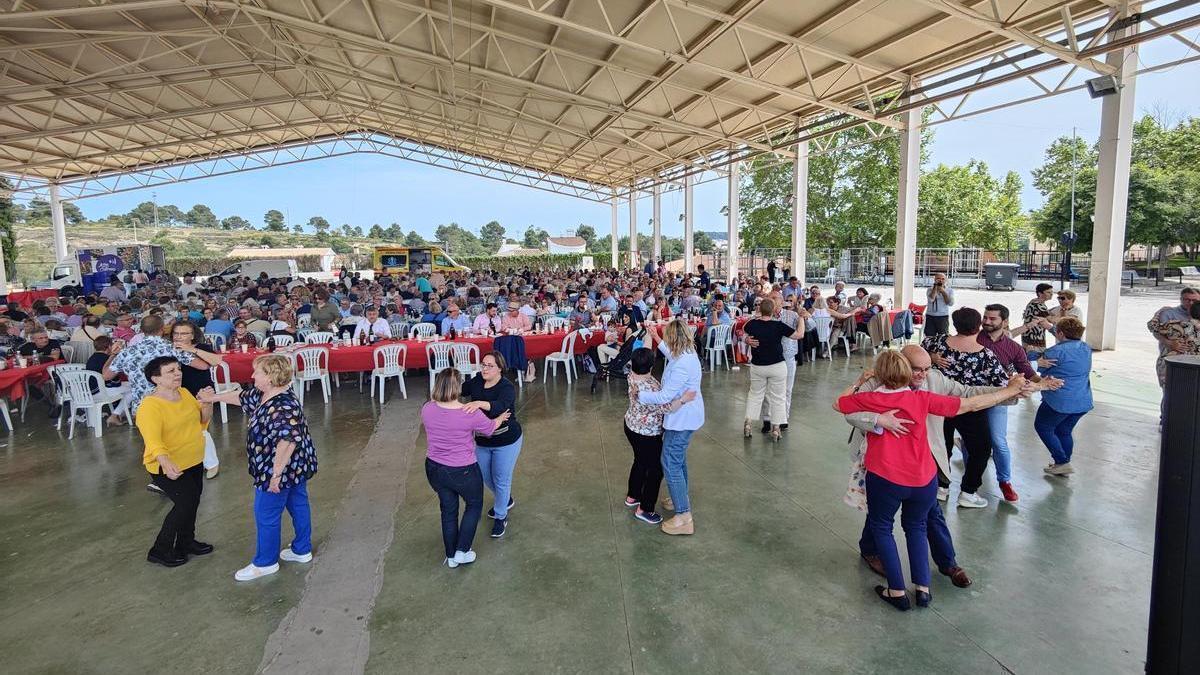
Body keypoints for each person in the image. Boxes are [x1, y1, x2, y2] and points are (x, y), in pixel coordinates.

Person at [834, 351, 1024, 610]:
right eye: (917, 369)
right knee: (917, 528)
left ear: (880, 373)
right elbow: (971, 404)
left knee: (882, 527)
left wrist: (864, 391)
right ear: (905, 371)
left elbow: (840, 404)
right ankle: (923, 589)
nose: (923, 374)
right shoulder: (922, 399)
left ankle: (897, 591)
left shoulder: (872, 398)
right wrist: (1009, 390)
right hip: (924, 479)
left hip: (886, 477)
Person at [200, 354, 319, 581]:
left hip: (279, 468)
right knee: (298, 504)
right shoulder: (267, 394)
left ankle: (265, 562)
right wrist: (213, 398)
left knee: (266, 514)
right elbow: (241, 397)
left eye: (258, 372)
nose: (252, 375)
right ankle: (301, 549)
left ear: (271, 377)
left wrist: (276, 474)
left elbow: (288, 441)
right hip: (296, 468)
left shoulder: (282, 405)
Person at [421, 369, 510, 568]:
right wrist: (500, 418)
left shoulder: (427, 408)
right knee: (473, 505)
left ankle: (451, 556)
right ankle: (463, 550)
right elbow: (489, 429)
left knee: (448, 510)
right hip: (463, 470)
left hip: (434, 468)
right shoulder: (469, 413)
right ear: (458, 387)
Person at [922, 308, 1007, 508]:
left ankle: (940, 486)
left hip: (939, 404)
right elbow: (1001, 383)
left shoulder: (936, 342)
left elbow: (917, 355)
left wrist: (933, 358)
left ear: (954, 324)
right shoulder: (985, 355)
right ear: (978, 326)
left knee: (940, 445)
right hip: (971, 408)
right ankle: (968, 492)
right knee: (980, 449)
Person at [135, 356, 214, 567]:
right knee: (184, 504)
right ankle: (160, 550)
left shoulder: (185, 393)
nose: (178, 373)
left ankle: (186, 542)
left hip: (193, 459)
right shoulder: (150, 406)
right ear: (155, 379)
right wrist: (165, 462)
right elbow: (153, 440)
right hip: (168, 465)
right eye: (170, 371)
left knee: (192, 502)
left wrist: (206, 403)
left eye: (178, 369)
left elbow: (202, 420)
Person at [638, 319, 703, 536]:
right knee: (678, 459)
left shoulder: (683, 364)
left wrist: (640, 394)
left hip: (682, 419)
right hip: (685, 416)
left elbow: (665, 396)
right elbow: (671, 356)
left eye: (666, 336)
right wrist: (655, 337)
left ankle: (684, 516)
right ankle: (679, 499)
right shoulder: (687, 353)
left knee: (670, 462)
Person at [977, 304, 1043, 503]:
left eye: (992, 319)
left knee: (998, 441)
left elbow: (1028, 371)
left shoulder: (1013, 347)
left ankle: (1004, 481)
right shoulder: (974, 338)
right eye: (985, 317)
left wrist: (1044, 385)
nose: (987, 322)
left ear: (1004, 322)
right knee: (973, 441)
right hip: (972, 396)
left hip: (999, 397)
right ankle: (971, 480)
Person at [623, 348, 695, 525]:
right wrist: (685, 398)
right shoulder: (652, 388)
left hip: (630, 426)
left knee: (640, 461)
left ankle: (633, 496)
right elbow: (668, 408)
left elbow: (642, 356)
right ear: (651, 366)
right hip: (647, 434)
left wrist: (650, 333)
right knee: (656, 469)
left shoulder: (630, 375)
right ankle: (645, 508)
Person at [463, 352, 522, 538]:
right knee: (485, 477)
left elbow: (500, 406)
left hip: (506, 440)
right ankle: (506, 500)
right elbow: (460, 390)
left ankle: (500, 516)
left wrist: (479, 402)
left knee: (501, 479)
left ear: (499, 368)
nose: (485, 369)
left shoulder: (506, 387)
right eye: (483, 365)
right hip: (482, 440)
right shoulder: (477, 380)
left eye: (489, 366)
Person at [1035, 317, 1093, 476]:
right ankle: (1063, 463)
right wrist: (1050, 326)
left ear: (1060, 333)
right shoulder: (1086, 348)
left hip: (1059, 400)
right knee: (1064, 431)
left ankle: (1061, 460)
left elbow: (1041, 371)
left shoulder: (1055, 352)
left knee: (1043, 427)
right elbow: (1067, 335)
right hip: (1082, 400)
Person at [741, 298, 805, 441]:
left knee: (755, 395)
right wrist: (801, 318)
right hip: (777, 365)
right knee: (778, 397)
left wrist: (746, 339)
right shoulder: (778, 326)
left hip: (758, 366)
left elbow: (742, 329)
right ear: (773, 310)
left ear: (759, 309)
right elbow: (799, 335)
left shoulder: (752, 324)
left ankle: (748, 423)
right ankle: (776, 429)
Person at [172, 321, 224, 479]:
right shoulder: (167, 349)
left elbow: (216, 361)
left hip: (201, 392)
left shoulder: (201, 348)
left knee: (201, 427)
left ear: (192, 335)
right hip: (178, 394)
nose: (180, 337)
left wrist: (191, 349)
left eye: (184, 333)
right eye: (177, 334)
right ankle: (195, 461)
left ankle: (211, 463)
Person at [1148, 301, 1200, 386]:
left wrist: (1160, 311)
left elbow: (1152, 326)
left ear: (1190, 312)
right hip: (1195, 372)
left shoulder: (1175, 325)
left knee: (1171, 396)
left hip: (1172, 368)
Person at [1015, 283, 1055, 358]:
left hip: (1027, 334)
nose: (1051, 294)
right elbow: (1052, 320)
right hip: (1035, 337)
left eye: (1052, 292)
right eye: (1048, 292)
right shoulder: (1039, 305)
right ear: (1040, 293)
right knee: (1036, 359)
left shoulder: (1034, 301)